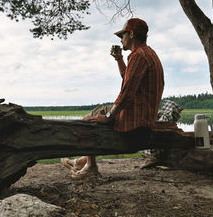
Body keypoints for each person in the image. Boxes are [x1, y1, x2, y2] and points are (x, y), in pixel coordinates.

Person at [61, 18, 164, 179]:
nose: (121, 39)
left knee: (87, 121)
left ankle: (91, 167)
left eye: (122, 35)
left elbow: (127, 93)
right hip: (144, 116)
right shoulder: (148, 53)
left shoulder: (138, 56)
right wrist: (119, 59)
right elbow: (128, 79)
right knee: (98, 113)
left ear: (130, 34)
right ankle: (83, 161)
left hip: (137, 120)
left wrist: (110, 117)